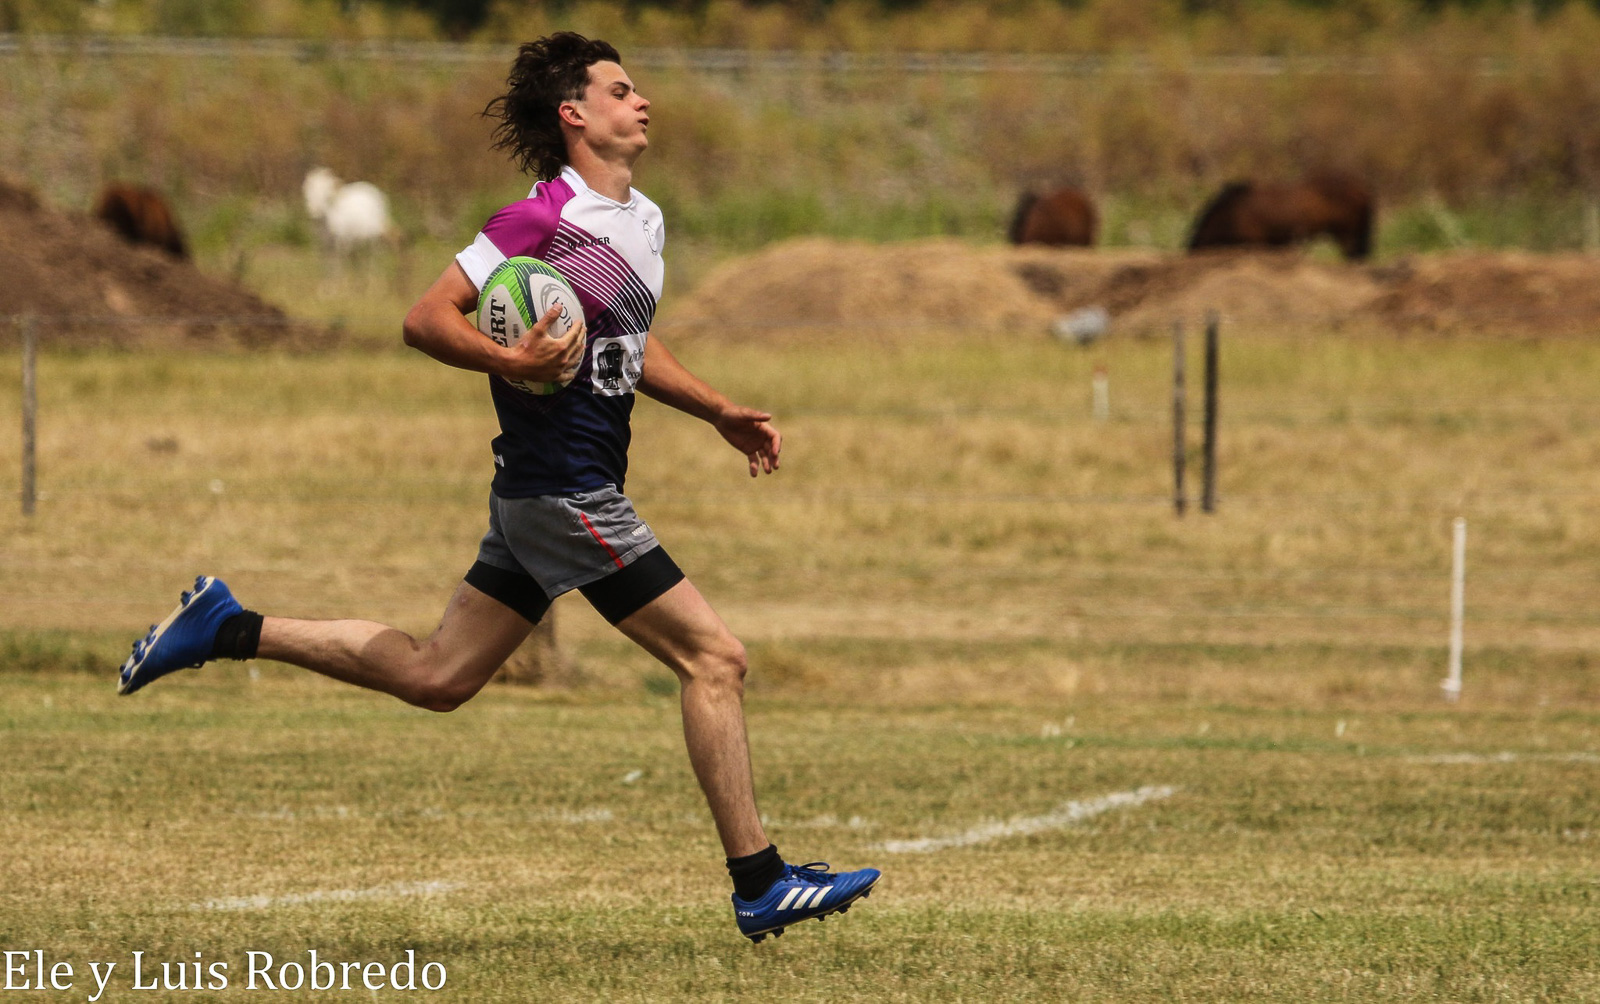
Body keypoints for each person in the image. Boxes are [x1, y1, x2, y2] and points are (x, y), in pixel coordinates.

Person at [116, 32, 878, 944]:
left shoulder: (644, 222)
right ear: (576, 115)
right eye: (622, 89)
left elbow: (627, 344)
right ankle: (760, 882)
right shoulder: (535, 221)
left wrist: (716, 410)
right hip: (566, 492)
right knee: (716, 659)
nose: (643, 102)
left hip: (540, 496)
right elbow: (423, 316)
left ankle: (228, 626)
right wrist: (507, 356)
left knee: (440, 677)